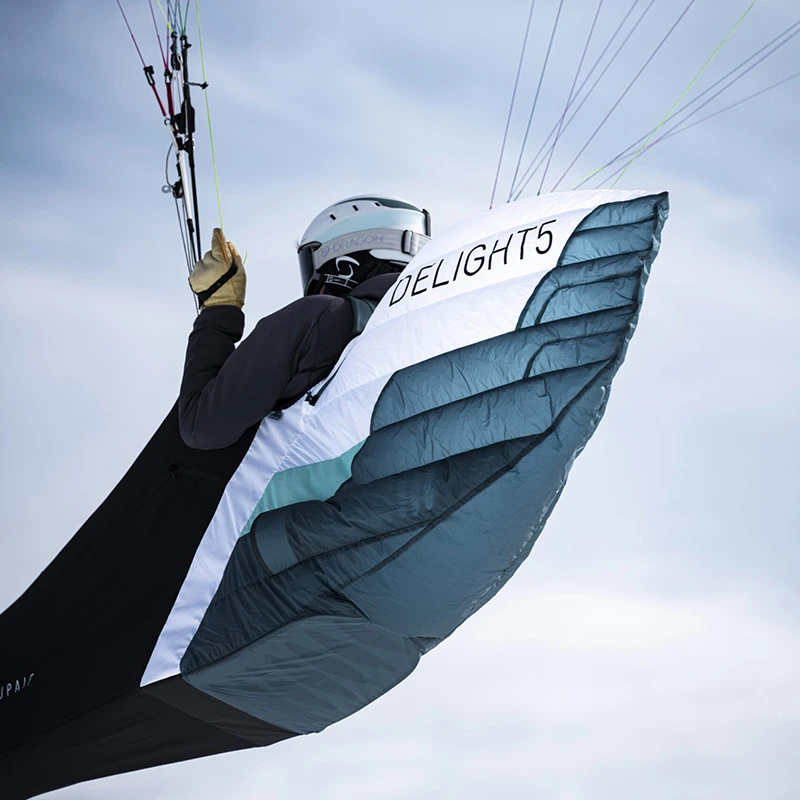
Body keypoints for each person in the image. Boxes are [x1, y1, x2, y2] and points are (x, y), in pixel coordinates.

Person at [178, 195, 431, 450]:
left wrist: (219, 308)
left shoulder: (318, 317)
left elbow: (201, 427)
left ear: (345, 265)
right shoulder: (433, 335)